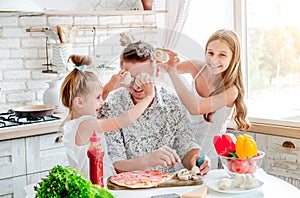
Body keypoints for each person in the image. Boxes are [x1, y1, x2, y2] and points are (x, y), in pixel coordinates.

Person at [98, 40, 211, 175]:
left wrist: (196, 158)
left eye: (144, 77)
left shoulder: (171, 102)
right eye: (131, 77)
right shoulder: (112, 106)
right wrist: (147, 161)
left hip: (166, 185)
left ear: (156, 72)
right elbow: (115, 164)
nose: (137, 85)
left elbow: (185, 144)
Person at [162, 29, 250, 169]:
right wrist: (164, 59)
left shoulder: (231, 91)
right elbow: (165, 68)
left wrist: (172, 73)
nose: (214, 60)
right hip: (181, 146)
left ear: (233, 58)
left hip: (205, 155)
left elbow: (195, 108)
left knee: (199, 189)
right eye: (210, 53)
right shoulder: (197, 67)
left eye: (222, 55)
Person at [60, 54, 155, 179]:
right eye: (98, 97)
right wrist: (149, 96)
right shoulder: (86, 124)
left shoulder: (73, 122)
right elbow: (123, 120)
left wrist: (108, 88)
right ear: (79, 102)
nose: (102, 102)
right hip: (98, 185)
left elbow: (90, 104)